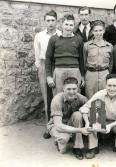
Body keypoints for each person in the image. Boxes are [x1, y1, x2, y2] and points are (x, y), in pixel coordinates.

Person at [80, 74, 116, 159]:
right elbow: (84, 108)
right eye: (109, 85)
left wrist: (110, 126)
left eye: (114, 86)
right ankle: (93, 147)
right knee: (92, 113)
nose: (112, 88)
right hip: (102, 121)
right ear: (105, 85)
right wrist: (87, 122)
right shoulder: (99, 94)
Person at [47, 77, 95, 160]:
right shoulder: (57, 100)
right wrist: (80, 130)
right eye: (68, 89)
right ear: (63, 89)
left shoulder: (81, 98)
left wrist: (88, 124)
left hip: (71, 123)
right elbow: (58, 126)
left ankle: (77, 147)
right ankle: (60, 140)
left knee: (78, 115)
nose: (72, 92)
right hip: (57, 125)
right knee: (64, 141)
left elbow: (92, 110)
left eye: (74, 89)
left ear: (78, 89)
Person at [34, 10, 61, 138]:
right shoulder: (39, 36)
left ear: (57, 21)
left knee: (58, 97)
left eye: (53, 20)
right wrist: (41, 69)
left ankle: (59, 126)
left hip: (58, 65)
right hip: (45, 66)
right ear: (45, 21)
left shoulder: (61, 34)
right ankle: (48, 127)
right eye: (48, 20)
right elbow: (37, 56)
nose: (50, 23)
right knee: (47, 99)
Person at [45, 14, 85, 96]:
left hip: (75, 71)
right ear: (61, 25)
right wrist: (49, 76)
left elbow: (81, 59)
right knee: (59, 96)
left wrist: (82, 76)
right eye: (66, 24)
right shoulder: (53, 39)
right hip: (59, 71)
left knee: (75, 96)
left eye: (71, 25)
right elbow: (48, 58)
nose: (68, 27)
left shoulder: (78, 39)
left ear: (74, 26)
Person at [83, 20, 113, 98]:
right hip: (91, 75)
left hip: (104, 74)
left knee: (104, 97)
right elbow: (83, 62)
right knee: (91, 98)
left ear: (104, 31)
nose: (98, 33)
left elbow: (111, 63)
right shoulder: (87, 46)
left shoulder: (109, 46)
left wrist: (107, 73)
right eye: (96, 31)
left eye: (100, 30)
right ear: (92, 31)